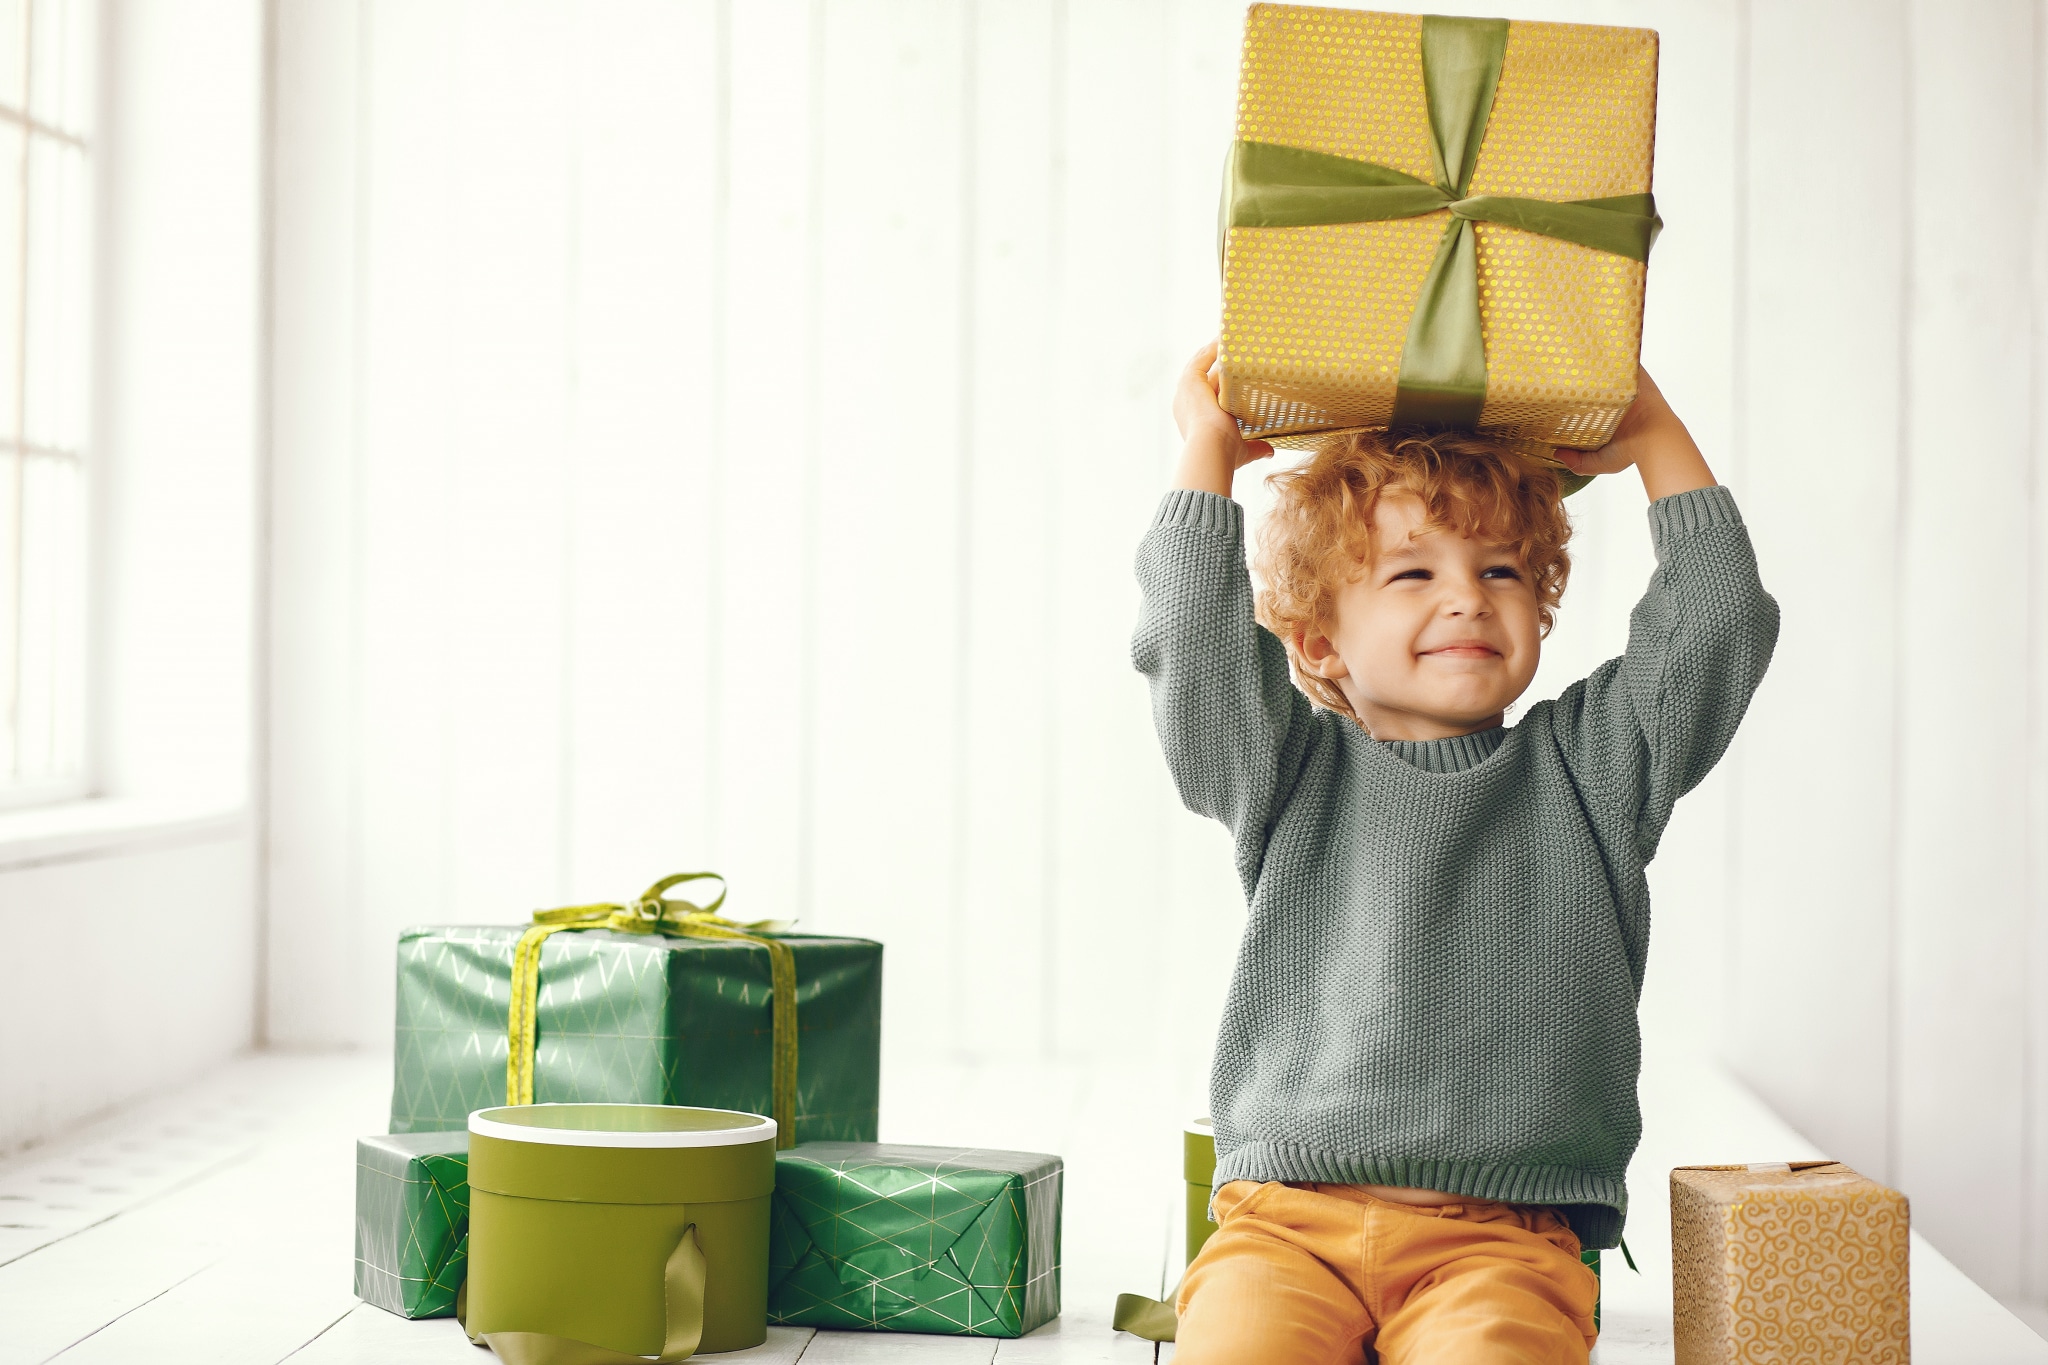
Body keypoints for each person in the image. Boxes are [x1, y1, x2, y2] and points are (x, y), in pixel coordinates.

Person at [1132, 342, 1779, 1363]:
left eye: (1499, 570)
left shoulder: (1594, 769)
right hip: (1284, 1227)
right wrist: (1206, 454)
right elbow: (1193, 640)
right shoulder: (1283, 772)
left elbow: (1716, 625)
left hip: (1502, 1241)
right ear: (1318, 644)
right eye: (1410, 573)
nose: (1467, 597)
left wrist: (1653, 436)